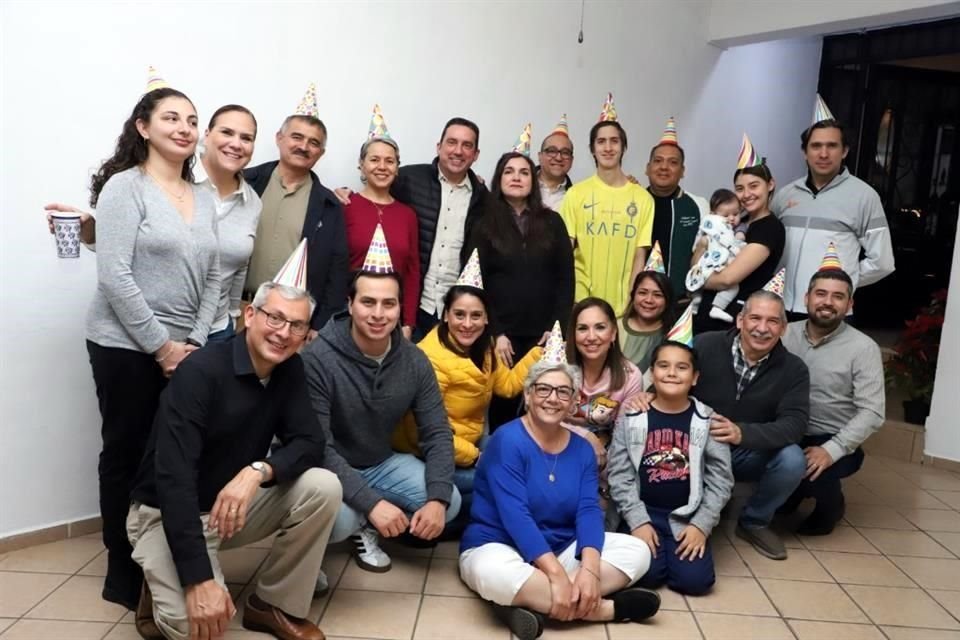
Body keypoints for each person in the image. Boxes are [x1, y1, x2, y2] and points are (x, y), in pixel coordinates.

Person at [127, 282, 341, 640]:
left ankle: (273, 605)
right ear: (250, 314)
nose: (284, 333)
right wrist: (198, 580)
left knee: (323, 486)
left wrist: (258, 471)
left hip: (230, 509)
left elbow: (310, 442)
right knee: (196, 627)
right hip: (164, 514)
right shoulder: (200, 372)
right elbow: (173, 480)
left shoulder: (289, 370)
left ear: (306, 333)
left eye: (297, 325)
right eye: (275, 318)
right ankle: (162, 579)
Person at [84, 86, 220, 611]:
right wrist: (162, 348)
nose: (185, 128)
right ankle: (123, 572)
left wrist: (195, 342)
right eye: (171, 118)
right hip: (124, 346)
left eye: (191, 120)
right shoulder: (125, 188)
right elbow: (115, 276)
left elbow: (214, 278)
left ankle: (158, 562)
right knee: (125, 454)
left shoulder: (204, 196)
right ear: (144, 127)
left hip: (186, 346)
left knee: (170, 459)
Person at [459, 360, 660, 640]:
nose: (552, 398)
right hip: (499, 545)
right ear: (527, 395)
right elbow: (515, 516)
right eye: (543, 389)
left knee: (637, 552)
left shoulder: (582, 450)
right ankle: (604, 609)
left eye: (563, 392)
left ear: (574, 402)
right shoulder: (507, 440)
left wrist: (589, 571)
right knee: (492, 573)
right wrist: (555, 574)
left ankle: (529, 602)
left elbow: (588, 510)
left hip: (561, 547)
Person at [46, 102, 263, 342]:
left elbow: (238, 265)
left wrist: (232, 320)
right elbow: (129, 255)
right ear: (207, 135)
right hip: (148, 330)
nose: (236, 143)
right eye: (227, 132)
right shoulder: (164, 179)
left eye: (247, 138)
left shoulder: (253, 202)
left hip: (216, 331)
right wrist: (92, 231)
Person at [301, 269, 461, 575]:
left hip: (378, 462)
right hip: (323, 468)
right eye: (368, 302)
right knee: (340, 522)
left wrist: (437, 500)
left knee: (449, 499)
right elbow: (319, 446)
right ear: (349, 304)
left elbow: (438, 432)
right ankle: (308, 552)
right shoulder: (318, 358)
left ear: (400, 308)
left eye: (389, 304)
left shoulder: (414, 360)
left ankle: (364, 523)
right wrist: (373, 504)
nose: (378, 314)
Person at [393, 279, 542, 527]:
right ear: (445, 316)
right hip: (427, 452)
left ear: (486, 320)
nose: (467, 324)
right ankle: (420, 525)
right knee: (498, 480)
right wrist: (476, 457)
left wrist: (538, 354)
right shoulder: (429, 358)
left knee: (518, 458)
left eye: (476, 316)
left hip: (468, 441)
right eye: (459, 314)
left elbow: (507, 386)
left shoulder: (485, 348)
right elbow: (422, 431)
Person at [608, 341, 734, 595]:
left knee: (695, 583)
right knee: (648, 576)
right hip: (644, 512)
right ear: (652, 373)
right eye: (663, 366)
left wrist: (701, 525)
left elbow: (721, 480)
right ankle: (650, 550)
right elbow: (619, 474)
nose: (672, 373)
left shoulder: (708, 421)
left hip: (687, 516)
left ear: (695, 377)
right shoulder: (632, 418)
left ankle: (674, 553)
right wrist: (637, 521)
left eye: (682, 367)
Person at [692, 289, 810, 560]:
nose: (762, 328)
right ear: (739, 320)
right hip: (696, 446)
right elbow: (670, 376)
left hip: (747, 450)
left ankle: (754, 521)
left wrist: (741, 433)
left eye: (772, 321)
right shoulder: (703, 345)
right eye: (755, 318)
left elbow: (795, 424)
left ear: (783, 328)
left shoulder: (794, 369)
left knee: (792, 459)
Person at [463, 150, 574, 429]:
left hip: (543, 336)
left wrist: (557, 328)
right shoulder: (484, 223)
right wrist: (495, 331)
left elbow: (565, 279)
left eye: (524, 172)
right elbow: (475, 283)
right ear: (499, 179)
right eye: (509, 171)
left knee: (542, 404)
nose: (516, 177)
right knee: (503, 406)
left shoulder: (552, 222)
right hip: (502, 338)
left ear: (532, 181)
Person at [782, 267, 884, 535]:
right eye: (821, 294)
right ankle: (790, 494)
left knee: (815, 471)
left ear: (849, 305)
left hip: (831, 436)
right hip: (786, 429)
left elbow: (873, 411)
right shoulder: (783, 334)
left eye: (838, 296)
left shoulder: (863, 348)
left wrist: (832, 449)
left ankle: (830, 508)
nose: (828, 302)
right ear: (806, 298)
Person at [772, 97, 895, 320]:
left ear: (845, 151)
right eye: (816, 146)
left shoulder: (864, 196)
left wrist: (841, 283)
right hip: (780, 308)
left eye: (832, 146)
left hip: (829, 312)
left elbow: (883, 262)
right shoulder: (785, 195)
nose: (823, 154)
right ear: (805, 152)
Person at [243, 84, 348, 338]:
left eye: (314, 143)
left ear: (320, 153)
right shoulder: (245, 182)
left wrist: (319, 324)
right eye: (297, 137)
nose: (304, 146)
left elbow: (337, 269)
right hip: (236, 309)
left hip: (291, 324)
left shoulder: (329, 205)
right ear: (279, 138)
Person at [392, 117, 488, 337]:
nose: (458, 151)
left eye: (467, 145)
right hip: (412, 309)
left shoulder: (484, 199)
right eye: (452, 142)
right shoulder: (407, 179)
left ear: (476, 155)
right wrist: (344, 194)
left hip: (456, 315)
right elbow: (376, 196)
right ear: (439, 146)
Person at [560, 95, 654, 315]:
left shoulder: (642, 199)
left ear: (623, 147)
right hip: (581, 303)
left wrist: (633, 300)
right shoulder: (575, 194)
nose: (608, 147)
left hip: (623, 308)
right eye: (601, 141)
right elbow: (565, 253)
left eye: (614, 141)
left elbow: (639, 256)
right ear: (592, 148)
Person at [693, 134, 785, 333]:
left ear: (770, 185)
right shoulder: (735, 221)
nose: (746, 194)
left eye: (754, 186)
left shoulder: (769, 227)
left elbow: (728, 279)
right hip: (704, 311)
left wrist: (696, 281)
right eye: (740, 188)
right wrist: (701, 248)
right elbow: (699, 255)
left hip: (733, 317)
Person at [344, 106, 420, 338]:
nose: (382, 166)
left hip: (388, 320)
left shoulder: (407, 215)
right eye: (374, 159)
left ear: (397, 168)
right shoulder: (344, 206)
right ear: (362, 165)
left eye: (390, 161)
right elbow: (333, 266)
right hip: (346, 317)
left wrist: (408, 322)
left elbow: (412, 272)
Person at [564, 298, 645, 472]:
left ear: (614, 333)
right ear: (573, 334)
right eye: (582, 328)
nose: (591, 337)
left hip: (604, 456)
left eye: (600, 327)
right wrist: (585, 436)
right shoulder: (557, 365)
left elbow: (622, 434)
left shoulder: (630, 375)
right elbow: (540, 419)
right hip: (554, 446)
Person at [645, 117, 708, 300]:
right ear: (647, 168)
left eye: (673, 162)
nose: (664, 167)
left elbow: (705, 254)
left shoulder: (698, 206)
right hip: (636, 301)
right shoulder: (635, 202)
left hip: (679, 302)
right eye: (658, 161)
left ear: (682, 171)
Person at [686, 188, 747, 323]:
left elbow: (739, 240)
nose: (731, 218)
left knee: (733, 286)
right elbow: (698, 244)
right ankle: (695, 300)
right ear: (713, 215)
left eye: (736, 214)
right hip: (708, 262)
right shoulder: (709, 227)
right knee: (697, 273)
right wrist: (702, 245)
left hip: (724, 266)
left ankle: (718, 306)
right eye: (725, 216)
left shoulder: (739, 228)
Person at [619, 270, 676, 377]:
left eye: (657, 295)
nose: (649, 300)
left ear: (667, 301)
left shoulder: (674, 336)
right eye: (643, 293)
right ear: (633, 295)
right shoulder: (613, 328)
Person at [537, 115, 574, 210]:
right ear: (540, 156)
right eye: (552, 151)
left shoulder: (577, 196)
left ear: (571, 160)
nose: (558, 157)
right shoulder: (521, 187)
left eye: (565, 152)